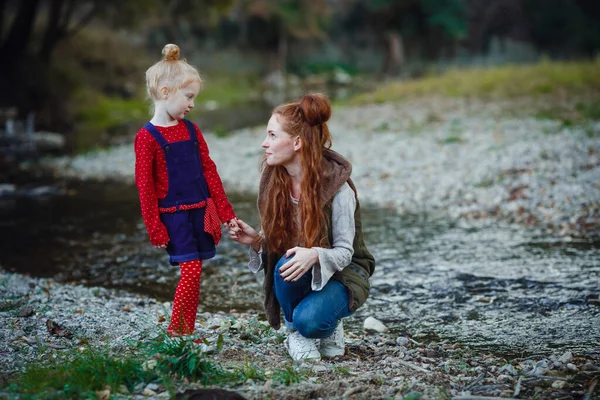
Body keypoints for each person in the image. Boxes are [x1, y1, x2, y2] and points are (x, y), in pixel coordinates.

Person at [228, 93, 375, 361]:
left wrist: (315, 254)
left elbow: (345, 253)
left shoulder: (338, 188)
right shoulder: (273, 182)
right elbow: (278, 248)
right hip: (299, 272)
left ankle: (324, 323)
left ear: (297, 142)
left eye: (272, 135)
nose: (264, 143)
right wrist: (257, 242)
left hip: (344, 272)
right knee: (287, 263)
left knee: (313, 322)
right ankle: (295, 332)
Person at [134, 44, 236, 338]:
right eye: (188, 97)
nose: (191, 104)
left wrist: (225, 212)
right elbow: (145, 186)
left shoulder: (191, 130)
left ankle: (185, 330)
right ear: (166, 92)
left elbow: (209, 170)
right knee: (190, 270)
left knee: (196, 271)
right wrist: (155, 228)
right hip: (173, 217)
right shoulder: (146, 138)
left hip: (200, 211)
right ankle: (177, 332)